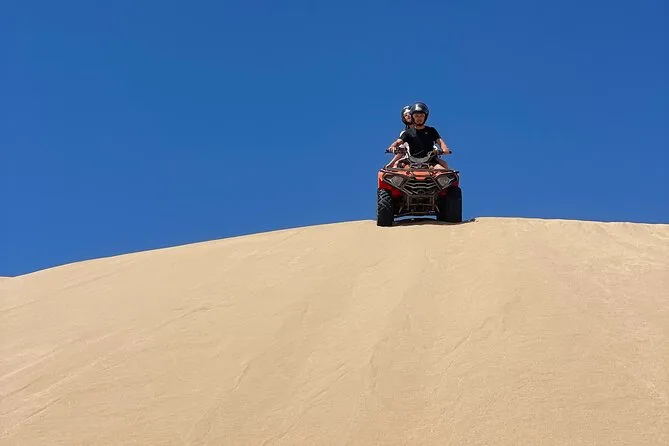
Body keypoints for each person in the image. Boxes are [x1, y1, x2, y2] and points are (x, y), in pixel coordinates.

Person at [387, 102, 452, 170]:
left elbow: (440, 142)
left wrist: (445, 149)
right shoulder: (407, 133)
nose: (419, 118)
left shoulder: (431, 131)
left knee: (444, 171)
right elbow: (398, 142)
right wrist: (392, 147)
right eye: (416, 116)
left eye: (421, 116)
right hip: (412, 162)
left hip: (430, 161)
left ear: (425, 117)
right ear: (413, 117)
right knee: (398, 169)